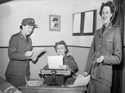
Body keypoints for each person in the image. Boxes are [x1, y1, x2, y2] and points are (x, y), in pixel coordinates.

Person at [83, 1, 122, 93]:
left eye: (107, 13)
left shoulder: (115, 31)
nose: (104, 15)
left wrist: (104, 58)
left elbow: (118, 58)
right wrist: (86, 70)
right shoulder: (97, 32)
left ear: (111, 14)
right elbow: (91, 53)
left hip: (105, 78)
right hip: (93, 74)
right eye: (103, 13)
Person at [5, 18, 38, 88]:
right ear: (23, 26)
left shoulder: (29, 39)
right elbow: (11, 55)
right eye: (29, 27)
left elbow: (29, 55)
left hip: (25, 73)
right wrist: (25, 55)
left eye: (32, 28)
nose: (31, 30)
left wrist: (33, 58)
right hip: (15, 74)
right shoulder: (15, 38)